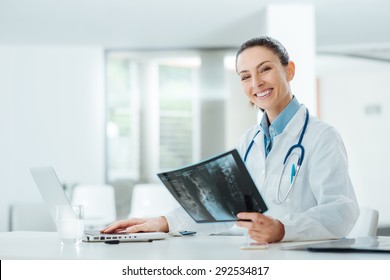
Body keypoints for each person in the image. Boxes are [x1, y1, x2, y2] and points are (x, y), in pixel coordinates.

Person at [102, 36, 359, 243]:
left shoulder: (322, 137)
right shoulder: (249, 140)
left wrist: (282, 229)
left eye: (265, 69)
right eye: (245, 76)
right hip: (256, 258)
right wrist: (164, 223)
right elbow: (224, 209)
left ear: (289, 70)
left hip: (301, 261)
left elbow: (341, 210)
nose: (256, 83)